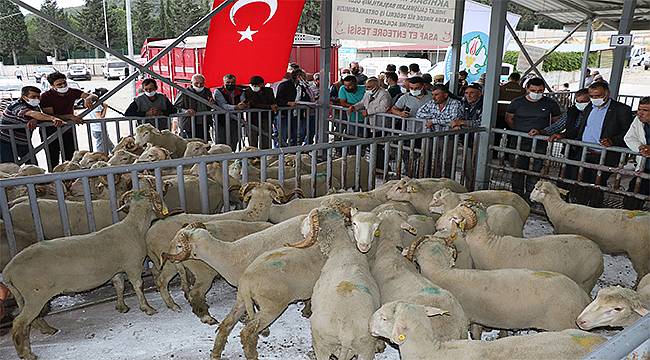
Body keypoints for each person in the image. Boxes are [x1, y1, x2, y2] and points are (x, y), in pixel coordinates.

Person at [558, 81, 634, 207]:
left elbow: (627, 132)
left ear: (607, 93)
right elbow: (582, 128)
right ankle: (579, 208)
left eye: (598, 96)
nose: (594, 99)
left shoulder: (621, 109)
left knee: (596, 185)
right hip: (583, 152)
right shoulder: (589, 107)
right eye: (592, 96)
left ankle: (594, 211)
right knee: (578, 182)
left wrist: (613, 140)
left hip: (602, 155)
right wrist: (564, 135)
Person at [505, 77, 562, 196]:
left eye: (540, 91)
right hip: (518, 141)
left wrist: (543, 132)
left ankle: (531, 196)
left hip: (539, 143)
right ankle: (517, 195)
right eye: (534, 90)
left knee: (535, 171)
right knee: (517, 170)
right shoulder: (517, 102)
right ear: (527, 89)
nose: (537, 93)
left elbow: (557, 121)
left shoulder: (550, 103)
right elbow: (509, 118)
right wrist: (519, 131)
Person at [40, 72, 97, 170]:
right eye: (59, 84)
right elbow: (50, 116)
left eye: (64, 83)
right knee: (53, 158)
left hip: (67, 129)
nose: (63, 86)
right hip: (50, 130)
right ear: (52, 86)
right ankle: (56, 180)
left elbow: (94, 96)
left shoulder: (72, 92)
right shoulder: (46, 96)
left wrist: (88, 98)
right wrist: (70, 116)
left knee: (70, 157)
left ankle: (70, 180)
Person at [0, 86, 66, 164]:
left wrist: (35, 119)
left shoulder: (35, 107)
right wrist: (53, 118)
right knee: (9, 168)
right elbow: (31, 113)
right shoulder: (16, 105)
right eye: (33, 97)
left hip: (24, 142)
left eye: (38, 97)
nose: (36, 99)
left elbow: (37, 115)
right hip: (5, 142)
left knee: (32, 166)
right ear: (24, 97)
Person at [623, 96, 650, 210]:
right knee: (632, 196)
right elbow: (629, 138)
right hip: (645, 167)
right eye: (639, 109)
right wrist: (640, 148)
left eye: (645, 110)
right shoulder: (638, 121)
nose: (640, 113)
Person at [173, 74, 216, 141]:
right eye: (196, 83)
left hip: (204, 123)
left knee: (204, 143)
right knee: (191, 144)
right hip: (188, 124)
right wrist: (185, 111)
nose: (199, 85)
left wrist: (212, 103)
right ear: (191, 83)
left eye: (201, 84)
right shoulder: (184, 92)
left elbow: (211, 105)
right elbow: (176, 106)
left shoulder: (207, 91)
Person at [213, 74, 246, 150]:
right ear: (224, 82)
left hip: (236, 120)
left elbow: (243, 101)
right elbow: (223, 105)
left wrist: (243, 105)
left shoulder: (240, 91)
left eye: (232, 82)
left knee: (234, 140)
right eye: (228, 82)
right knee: (221, 141)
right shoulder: (218, 91)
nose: (230, 84)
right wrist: (236, 107)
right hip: (221, 120)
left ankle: (232, 157)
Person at [243, 75, 278, 149]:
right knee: (252, 140)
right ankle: (253, 156)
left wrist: (273, 105)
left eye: (256, 85)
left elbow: (272, 101)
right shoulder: (247, 91)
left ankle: (265, 156)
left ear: (262, 84)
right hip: (252, 119)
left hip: (266, 117)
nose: (254, 87)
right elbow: (252, 104)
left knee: (266, 138)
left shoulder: (269, 91)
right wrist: (269, 107)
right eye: (252, 85)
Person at [85, 87, 114, 153]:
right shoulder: (97, 106)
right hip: (99, 129)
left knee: (108, 142)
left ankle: (113, 151)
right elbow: (100, 118)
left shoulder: (93, 104)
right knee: (100, 145)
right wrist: (105, 108)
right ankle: (99, 156)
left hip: (95, 128)